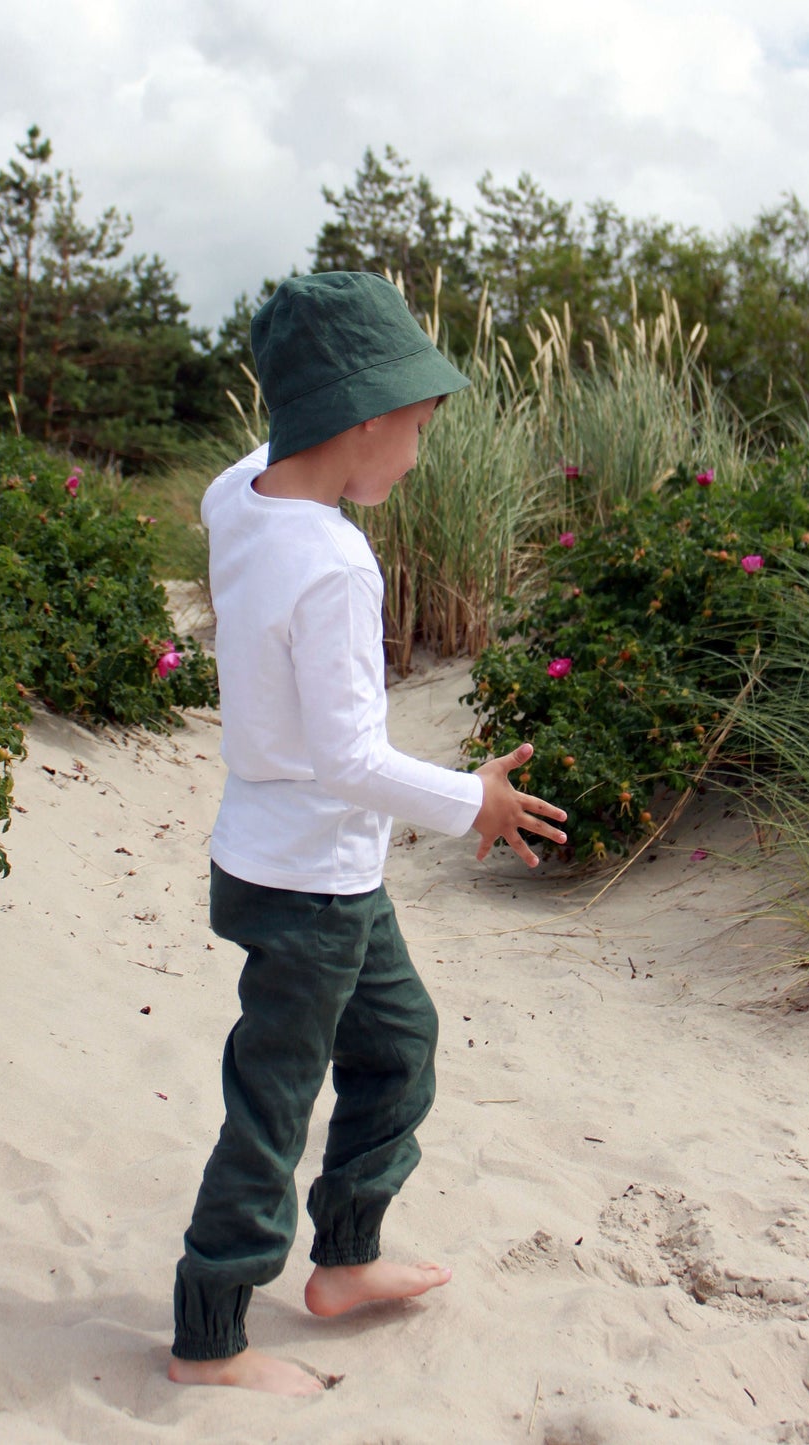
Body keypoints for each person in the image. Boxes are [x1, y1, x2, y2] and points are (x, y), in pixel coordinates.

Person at [169, 272, 568, 1395]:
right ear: (359, 422)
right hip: (309, 882)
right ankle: (208, 1335)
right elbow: (348, 759)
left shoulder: (239, 494)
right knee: (273, 1099)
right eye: (415, 431)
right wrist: (472, 800)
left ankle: (343, 1260)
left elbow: (260, 466)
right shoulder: (335, 562)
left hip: (289, 859)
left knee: (397, 1046)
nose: (418, 453)